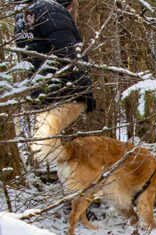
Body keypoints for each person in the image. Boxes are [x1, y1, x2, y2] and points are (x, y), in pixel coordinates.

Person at [14, 0, 95, 161]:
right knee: (68, 146)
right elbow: (68, 51)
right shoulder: (51, 9)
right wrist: (85, 90)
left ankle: (51, 171)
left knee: (51, 139)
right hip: (64, 87)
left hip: (40, 89)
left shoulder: (22, 13)